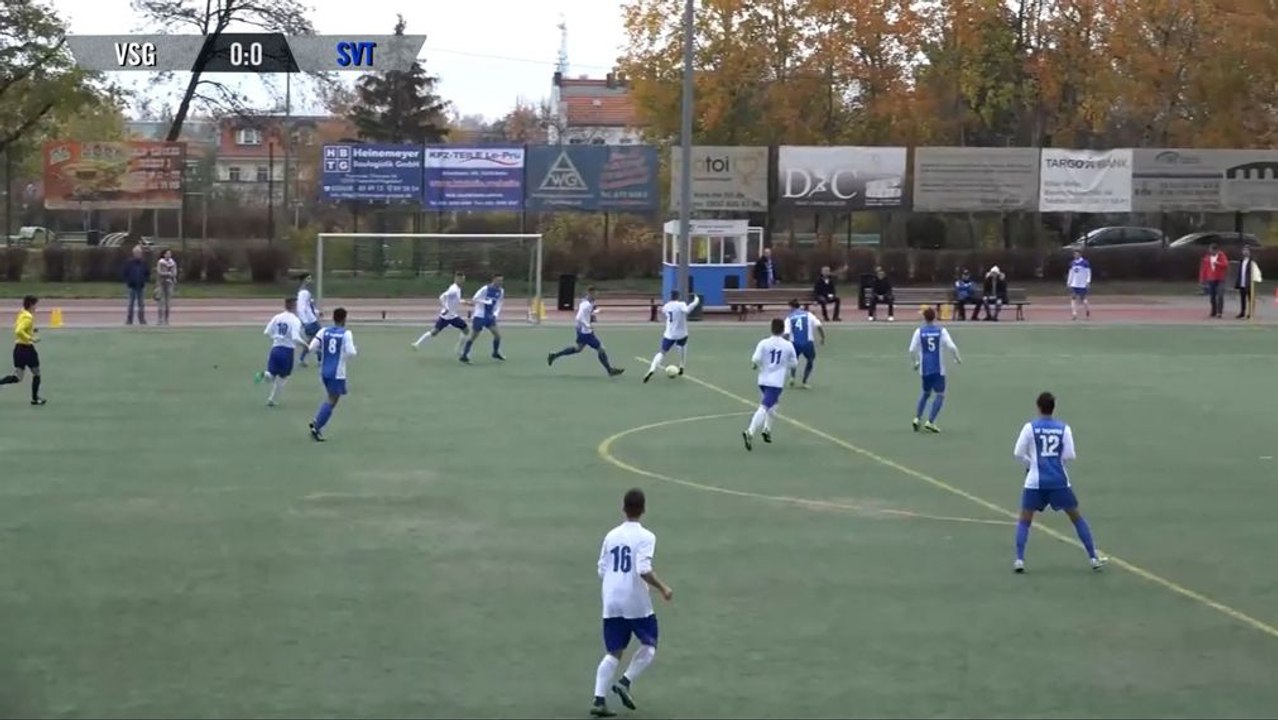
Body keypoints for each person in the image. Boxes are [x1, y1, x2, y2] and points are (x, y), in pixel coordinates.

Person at [589, 488, 672, 718]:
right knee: (649, 644)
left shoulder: (611, 535)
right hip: (635, 600)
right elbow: (643, 569)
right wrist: (663, 587)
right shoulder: (647, 537)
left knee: (613, 651)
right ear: (643, 509)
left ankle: (598, 699)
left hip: (611, 599)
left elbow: (601, 570)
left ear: (623, 508)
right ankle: (625, 682)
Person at [1012, 391, 1106, 573]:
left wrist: (1031, 464)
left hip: (1034, 482)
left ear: (1038, 407)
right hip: (1059, 481)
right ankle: (1093, 557)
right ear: (1053, 408)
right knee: (1076, 517)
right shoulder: (1064, 428)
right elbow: (1069, 455)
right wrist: (1057, 463)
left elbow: (1018, 452)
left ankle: (1019, 560)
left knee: (1025, 520)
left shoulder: (1030, 427)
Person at [742, 318, 797, 451]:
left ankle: (767, 429)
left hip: (763, 380)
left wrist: (755, 366)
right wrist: (785, 365)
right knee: (764, 407)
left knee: (774, 405)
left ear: (771, 328)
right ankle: (750, 431)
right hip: (776, 382)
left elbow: (755, 360)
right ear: (783, 330)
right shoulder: (788, 345)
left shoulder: (764, 343)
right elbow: (794, 363)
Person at [548, 286, 625, 376]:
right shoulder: (586, 304)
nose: (597, 294)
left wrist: (592, 316)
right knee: (601, 349)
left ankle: (555, 355)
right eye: (596, 293)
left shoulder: (588, 301)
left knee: (578, 349)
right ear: (590, 293)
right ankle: (610, 370)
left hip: (581, 330)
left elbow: (587, 313)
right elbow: (579, 317)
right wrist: (587, 325)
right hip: (585, 332)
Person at [308, 307, 357, 442]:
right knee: (332, 400)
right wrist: (345, 354)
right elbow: (352, 352)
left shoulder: (323, 331)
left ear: (334, 318)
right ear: (344, 319)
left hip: (324, 371)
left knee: (330, 398)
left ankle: (317, 420)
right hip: (337, 372)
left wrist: (324, 352)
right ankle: (317, 427)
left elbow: (311, 347)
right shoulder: (346, 333)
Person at [909, 307, 960, 433]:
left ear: (924, 318)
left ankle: (917, 418)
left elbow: (911, 350)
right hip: (938, 368)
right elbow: (952, 346)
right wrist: (957, 358)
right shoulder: (941, 331)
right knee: (940, 394)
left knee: (925, 393)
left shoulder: (919, 331)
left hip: (924, 368)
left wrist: (915, 362)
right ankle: (930, 421)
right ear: (935, 317)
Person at [254, 297, 307, 407]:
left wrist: (277, 338)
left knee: (271, 375)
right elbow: (295, 337)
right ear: (293, 306)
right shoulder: (295, 320)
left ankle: (264, 374)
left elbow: (267, 332)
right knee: (283, 378)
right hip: (287, 351)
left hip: (275, 349)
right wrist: (305, 345)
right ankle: (272, 399)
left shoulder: (277, 317)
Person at [643, 290, 700, 382]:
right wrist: (696, 301)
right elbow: (687, 310)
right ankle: (681, 366)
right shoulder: (681, 304)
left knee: (662, 352)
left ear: (671, 296)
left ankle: (652, 369)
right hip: (681, 333)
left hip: (669, 334)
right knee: (682, 348)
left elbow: (665, 314)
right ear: (678, 296)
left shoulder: (666, 306)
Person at [0, 295, 47, 405]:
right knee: (37, 373)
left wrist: (32, 329)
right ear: (31, 305)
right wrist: (31, 338)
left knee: (18, 377)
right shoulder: (28, 317)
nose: (36, 307)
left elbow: (20, 326)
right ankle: (35, 399)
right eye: (35, 305)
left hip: (18, 349)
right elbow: (19, 330)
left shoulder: (22, 313)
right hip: (27, 349)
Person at [412, 271, 469, 350]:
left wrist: (465, 302)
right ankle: (417, 343)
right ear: (456, 279)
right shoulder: (454, 289)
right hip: (449, 316)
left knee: (465, 329)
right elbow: (442, 297)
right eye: (461, 279)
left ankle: (417, 343)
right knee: (465, 329)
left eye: (463, 279)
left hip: (451, 315)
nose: (463, 281)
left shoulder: (457, 289)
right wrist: (446, 307)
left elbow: (456, 300)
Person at [460, 274, 505, 363]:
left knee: (497, 335)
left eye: (501, 281)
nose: (500, 282)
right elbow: (475, 298)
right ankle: (464, 355)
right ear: (494, 280)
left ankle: (495, 352)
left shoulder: (501, 291)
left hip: (490, 317)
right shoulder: (485, 289)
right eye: (498, 280)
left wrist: (495, 314)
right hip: (480, 316)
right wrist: (485, 301)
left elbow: (499, 303)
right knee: (473, 336)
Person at [784, 298, 825, 388]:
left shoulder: (789, 318)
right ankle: (804, 382)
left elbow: (786, 333)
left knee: (794, 360)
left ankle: (792, 377)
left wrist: (783, 343)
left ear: (791, 307)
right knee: (810, 360)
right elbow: (819, 325)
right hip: (808, 343)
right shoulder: (808, 315)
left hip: (795, 343)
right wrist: (822, 337)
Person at [296, 274, 321, 366]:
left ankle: (302, 359)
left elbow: (309, 307)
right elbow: (301, 308)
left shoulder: (305, 292)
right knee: (318, 339)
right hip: (310, 322)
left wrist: (317, 312)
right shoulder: (303, 293)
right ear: (303, 280)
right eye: (308, 279)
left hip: (312, 320)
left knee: (312, 340)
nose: (310, 281)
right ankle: (319, 360)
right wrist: (305, 321)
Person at [1199, 243, 1229, 318]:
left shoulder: (1221, 256)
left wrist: (1218, 263)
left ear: (1217, 250)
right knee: (1212, 296)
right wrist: (1202, 279)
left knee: (1220, 295)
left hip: (1220, 279)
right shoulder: (1207, 258)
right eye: (1210, 250)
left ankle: (1219, 312)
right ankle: (1214, 311)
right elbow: (1204, 269)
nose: (1212, 252)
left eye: (1213, 250)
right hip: (1211, 279)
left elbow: (1225, 265)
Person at [123, 244, 150, 325]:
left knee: (141, 304)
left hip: (141, 286)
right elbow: (125, 273)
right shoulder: (129, 263)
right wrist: (128, 281)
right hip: (132, 286)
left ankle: (142, 319)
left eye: (139, 253)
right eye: (136, 252)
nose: (138, 254)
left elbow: (147, 273)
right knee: (130, 304)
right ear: (134, 253)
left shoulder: (144, 263)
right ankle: (129, 319)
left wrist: (144, 280)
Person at [1236, 245, 1261, 319]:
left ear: (1249, 252)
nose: (1245, 252)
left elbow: (1255, 271)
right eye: (1244, 250)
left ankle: (1251, 313)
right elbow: (1240, 272)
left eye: (1247, 250)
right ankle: (1242, 312)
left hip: (1249, 283)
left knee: (1251, 298)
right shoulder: (1242, 261)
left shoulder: (1252, 261)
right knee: (1242, 298)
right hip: (1242, 282)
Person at [155, 249, 178, 326]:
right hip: (161, 283)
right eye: (167, 254)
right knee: (161, 302)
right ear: (164, 255)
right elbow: (159, 272)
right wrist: (167, 273)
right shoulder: (160, 262)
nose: (168, 255)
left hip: (169, 284)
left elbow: (174, 273)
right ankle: (160, 319)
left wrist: (172, 275)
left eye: (170, 254)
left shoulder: (173, 262)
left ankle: (166, 319)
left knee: (168, 302)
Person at [1067, 251, 1092, 320]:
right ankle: (1074, 313)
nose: (1075, 255)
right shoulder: (1073, 263)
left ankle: (1087, 309)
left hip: (1082, 284)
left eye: (1077, 254)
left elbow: (1088, 273)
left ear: (1080, 255)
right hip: (1074, 283)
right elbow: (1071, 273)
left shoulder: (1085, 263)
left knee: (1083, 299)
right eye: (1074, 254)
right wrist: (1069, 282)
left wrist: (1088, 281)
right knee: (1073, 298)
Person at [752, 247, 776, 312]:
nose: (768, 254)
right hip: (762, 279)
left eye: (769, 253)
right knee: (761, 292)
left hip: (769, 278)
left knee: (764, 292)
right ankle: (759, 306)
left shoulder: (771, 260)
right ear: (764, 253)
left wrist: (775, 278)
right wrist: (755, 278)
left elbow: (773, 270)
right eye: (766, 253)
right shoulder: (760, 261)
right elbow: (756, 270)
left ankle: (760, 305)